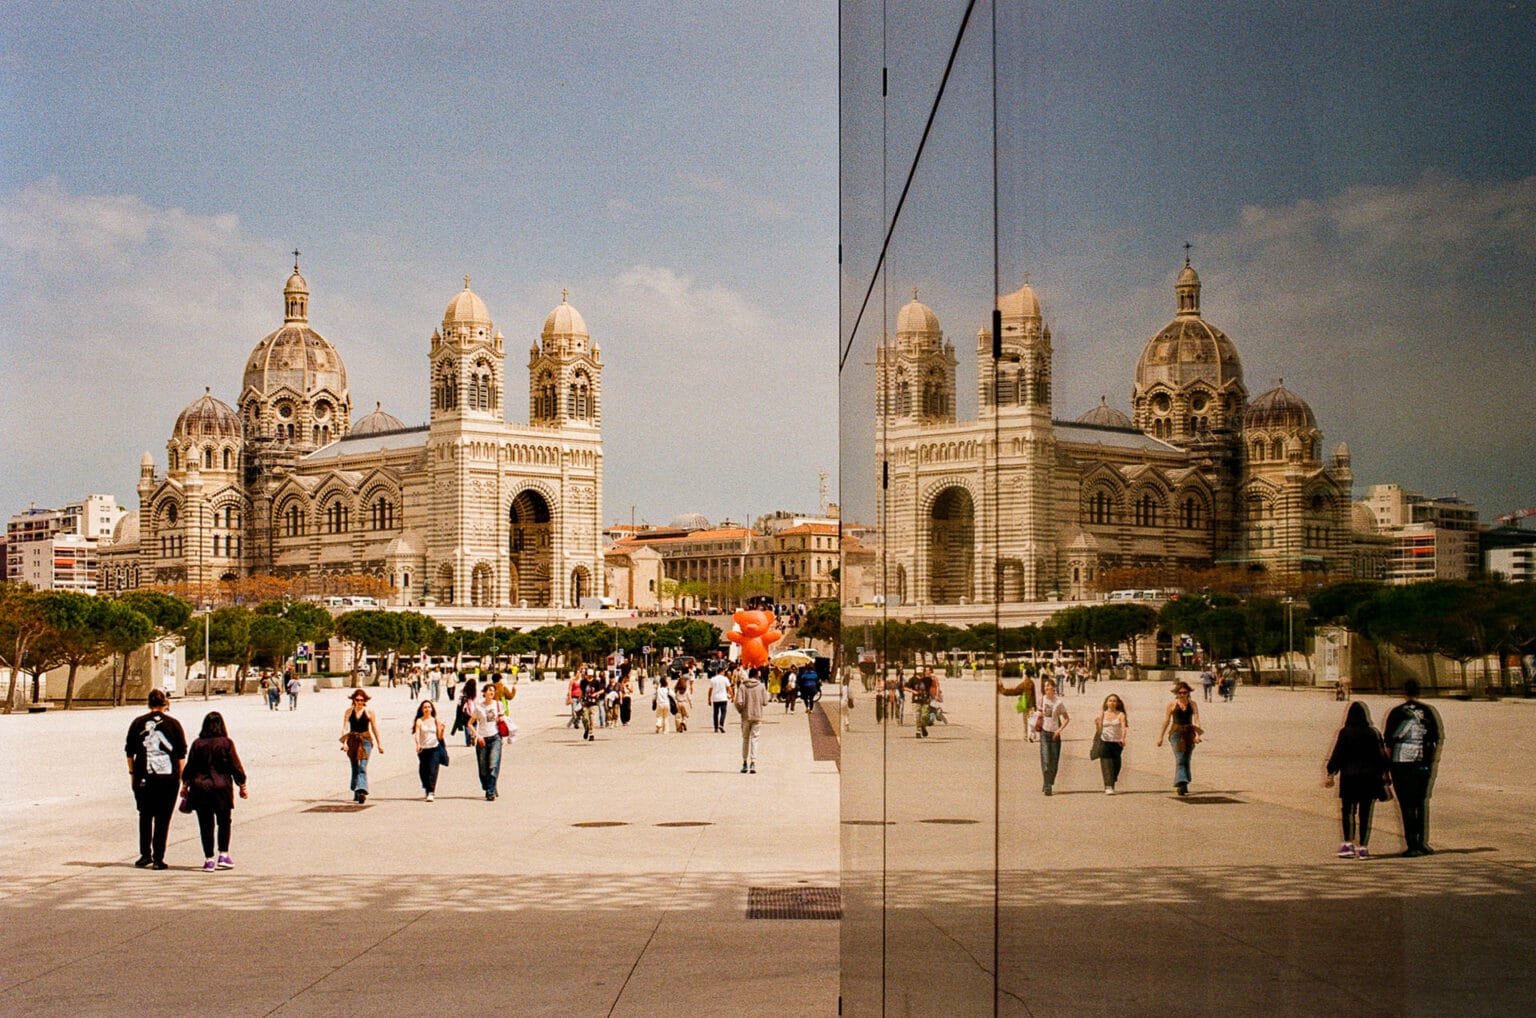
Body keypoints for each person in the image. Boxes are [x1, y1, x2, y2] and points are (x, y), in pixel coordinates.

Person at [125, 689, 187, 870]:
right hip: (167, 777)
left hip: (143, 775)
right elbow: (180, 753)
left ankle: (145, 854)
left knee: (145, 815)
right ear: (165, 703)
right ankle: (159, 857)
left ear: (148, 703)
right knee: (163, 817)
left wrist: (132, 773)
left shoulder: (137, 723)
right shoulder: (173, 724)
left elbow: (129, 751)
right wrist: (182, 778)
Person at [181, 711, 247, 872]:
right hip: (221, 787)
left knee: (205, 824)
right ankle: (223, 854)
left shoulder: (198, 743)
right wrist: (242, 784)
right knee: (224, 821)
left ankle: (208, 859)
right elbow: (235, 766)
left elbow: (190, 766)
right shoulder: (226, 743)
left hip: (200, 788)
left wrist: (185, 784)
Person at [1324, 701, 1391, 860]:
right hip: (1369, 778)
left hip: (1349, 778)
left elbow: (1338, 754)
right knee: (1365, 814)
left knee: (1348, 812)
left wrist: (1331, 772)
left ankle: (1347, 844)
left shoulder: (1345, 732)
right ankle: (1363, 847)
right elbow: (1381, 758)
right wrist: (1385, 774)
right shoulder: (1373, 733)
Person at [1383, 679, 1443, 857]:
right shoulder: (1428, 711)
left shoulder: (1396, 713)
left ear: (1403, 691)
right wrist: (1432, 760)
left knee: (1406, 803)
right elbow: (1436, 737)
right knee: (1420, 802)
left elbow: (1389, 742)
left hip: (1400, 761)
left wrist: (1386, 768)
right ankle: (1422, 842)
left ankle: (1412, 844)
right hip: (1422, 760)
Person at [1156, 681, 1203, 796]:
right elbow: (1166, 720)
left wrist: (1197, 735)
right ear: (1176, 693)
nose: (1182, 695)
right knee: (1180, 758)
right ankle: (1180, 781)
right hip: (1176, 733)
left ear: (1188, 693)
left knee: (1186, 758)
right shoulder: (1172, 704)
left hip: (1189, 733)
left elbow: (1197, 720)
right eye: (1180, 693)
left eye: (1184, 692)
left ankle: (1184, 785)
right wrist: (1160, 736)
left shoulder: (1193, 704)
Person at [340, 689, 383, 803]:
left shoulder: (369, 712)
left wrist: (379, 744)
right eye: (357, 700)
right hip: (353, 740)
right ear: (353, 700)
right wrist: (344, 743)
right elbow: (345, 728)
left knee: (362, 766)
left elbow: (374, 728)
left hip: (365, 740)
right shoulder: (349, 712)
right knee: (355, 767)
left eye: (362, 700)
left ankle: (362, 790)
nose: (359, 702)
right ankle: (356, 789)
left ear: (365, 701)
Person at [469, 682, 505, 801]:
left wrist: (501, 718)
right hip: (482, 739)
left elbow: (502, 719)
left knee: (493, 765)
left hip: (495, 737)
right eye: (489, 690)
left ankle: (490, 791)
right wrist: (477, 736)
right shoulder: (479, 708)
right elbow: (469, 724)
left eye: (493, 691)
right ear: (484, 692)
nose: (492, 692)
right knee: (483, 769)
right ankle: (490, 786)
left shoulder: (498, 705)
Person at [1036, 678, 1069, 795]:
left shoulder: (1058, 703)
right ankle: (1047, 784)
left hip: (1055, 734)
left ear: (1053, 688)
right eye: (1045, 686)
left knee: (1054, 761)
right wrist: (1039, 714)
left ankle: (1049, 781)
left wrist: (1059, 730)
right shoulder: (1042, 700)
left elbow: (1066, 718)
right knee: (1045, 759)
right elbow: (1037, 712)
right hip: (1044, 733)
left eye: (1048, 686)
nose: (1046, 688)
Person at [734, 666, 769, 773]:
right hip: (757, 715)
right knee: (755, 739)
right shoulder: (761, 686)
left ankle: (744, 763)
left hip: (745, 716)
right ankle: (753, 762)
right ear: (756, 675)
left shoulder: (742, 686)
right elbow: (765, 702)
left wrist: (741, 711)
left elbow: (739, 702)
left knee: (745, 739)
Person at [412, 699, 448, 801]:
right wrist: (418, 744)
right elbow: (417, 734)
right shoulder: (419, 721)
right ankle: (426, 787)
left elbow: (440, 737)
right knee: (423, 771)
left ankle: (431, 791)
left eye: (429, 707)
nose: (427, 709)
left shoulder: (435, 720)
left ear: (432, 709)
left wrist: (442, 729)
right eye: (425, 707)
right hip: (423, 749)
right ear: (422, 709)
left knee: (433, 770)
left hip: (434, 748)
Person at [1095, 694, 1129, 794]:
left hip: (1116, 743)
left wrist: (1123, 738)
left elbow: (1123, 727)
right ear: (1106, 703)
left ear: (1118, 703)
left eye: (1114, 701)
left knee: (1116, 765)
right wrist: (1097, 725)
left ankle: (1112, 779)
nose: (1112, 703)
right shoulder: (1103, 714)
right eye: (1110, 701)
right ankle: (1108, 786)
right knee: (1106, 764)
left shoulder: (1121, 714)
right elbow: (1099, 730)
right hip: (1104, 742)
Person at [997, 671, 1038, 742]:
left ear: (1025, 675)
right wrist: (1035, 705)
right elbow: (1034, 696)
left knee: (1026, 721)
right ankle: (1031, 736)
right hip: (1031, 704)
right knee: (1031, 721)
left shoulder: (1024, 683)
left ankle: (1027, 736)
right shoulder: (1032, 683)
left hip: (1025, 704)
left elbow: (1014, 691)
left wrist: (1001, 689)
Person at [905, 670, 937, 739]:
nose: (920, 673)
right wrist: (913, 691)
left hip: (925, 700)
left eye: (921, 672)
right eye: (919, 672)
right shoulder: (913, 679)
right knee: (917, 716)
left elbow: (932, 687)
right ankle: (918, 731)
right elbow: (905, 687)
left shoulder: (927, 679)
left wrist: (934, 697)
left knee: (925, 715)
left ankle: (923, 726)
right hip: (916, 700)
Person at [708, 667, 731, 733]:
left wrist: (709, 699)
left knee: (715, 713)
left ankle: (715, 727)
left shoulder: (713, 679)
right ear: (722, 671)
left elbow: (710, 690)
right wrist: (732, 696)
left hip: (715, 698)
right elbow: (729, 688)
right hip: (723, 698)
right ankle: (721, 724)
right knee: (723, 712)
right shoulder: (725, 679)